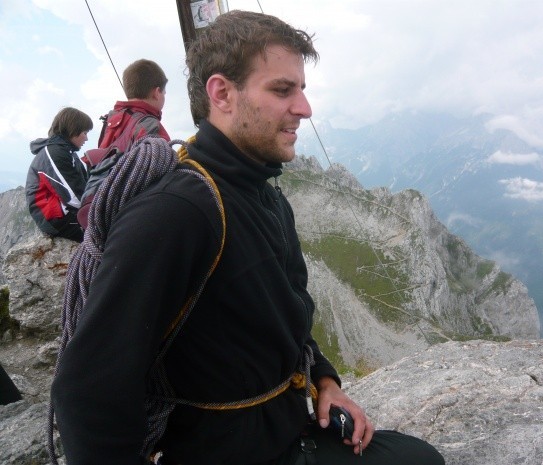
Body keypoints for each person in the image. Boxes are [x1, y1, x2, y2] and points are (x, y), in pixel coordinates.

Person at [51, 10, 445, 465]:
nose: (304, 108)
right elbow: (87, 388)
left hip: (286, 433)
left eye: (301, 90)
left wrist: (326, 382)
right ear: (222, 94)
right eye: (282, 90)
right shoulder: (178, 211)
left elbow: (290, 313)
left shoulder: (265, 196)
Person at [26, 107, 93, 242]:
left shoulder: (67, 152)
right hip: (56, 218)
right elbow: (72, 198)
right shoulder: (55, 153)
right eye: (84, 132)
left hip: (63, 213)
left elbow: (82, 187)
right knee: (107, 232)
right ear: (73, 130)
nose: (86, 138)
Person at [97, 58, 170, 151]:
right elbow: (162, 161)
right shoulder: (151, 125)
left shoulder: (111, 120)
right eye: (164, 92)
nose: (164, 95)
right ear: (157, 93)